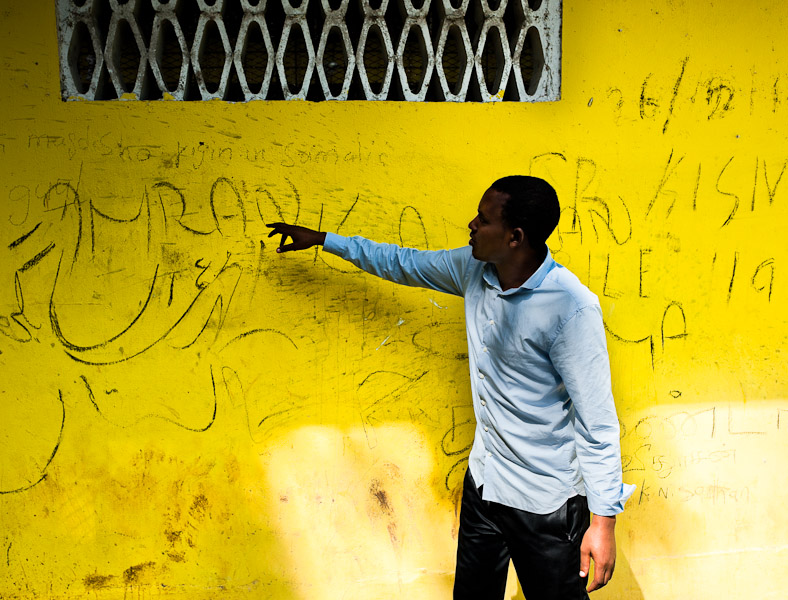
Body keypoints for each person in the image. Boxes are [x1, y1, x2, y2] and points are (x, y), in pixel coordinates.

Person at [266, 176, 634, 599]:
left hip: (545, 503)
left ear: (515, 237)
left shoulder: (570, 307)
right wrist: (324, 240)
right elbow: (402, 262)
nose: (471, 224)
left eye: (484, 218)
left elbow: (597, 423)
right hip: (485, 483)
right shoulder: (474, 269)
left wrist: (603, 523)